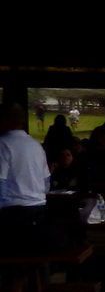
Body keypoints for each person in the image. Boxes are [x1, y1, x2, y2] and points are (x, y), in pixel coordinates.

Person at [0, 103, 52, 255]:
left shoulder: (3, 144)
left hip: (14, 213)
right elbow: (46, 183)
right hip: (39, 210)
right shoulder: (35, 145)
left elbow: (0, 183)